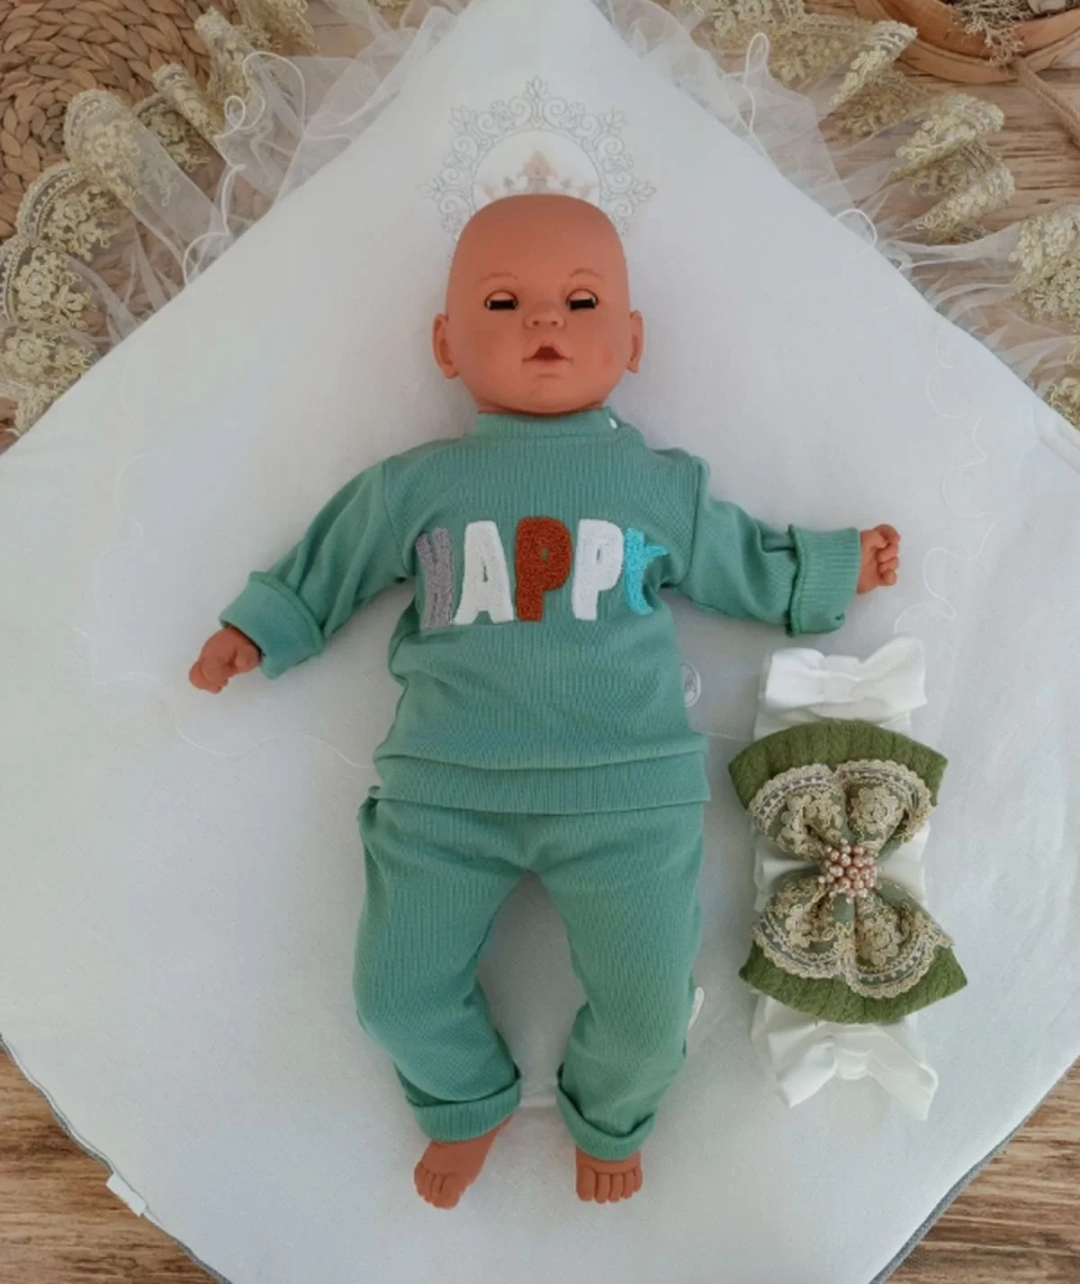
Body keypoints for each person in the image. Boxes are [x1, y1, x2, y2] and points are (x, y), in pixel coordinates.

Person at [190, 193, 900, 1209]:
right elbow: (332, 558)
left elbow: (740, 559)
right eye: (502, 302)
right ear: (446, 344)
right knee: (392, 996)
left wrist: (829, 569)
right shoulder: (418, 485)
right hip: (446, 794)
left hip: (625, 796)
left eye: (578, 301)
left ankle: (609, 1110)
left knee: (648, 1017)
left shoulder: (655, 485)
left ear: (632, 340)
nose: (543, 322)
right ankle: (463, 1095)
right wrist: (264, 626)